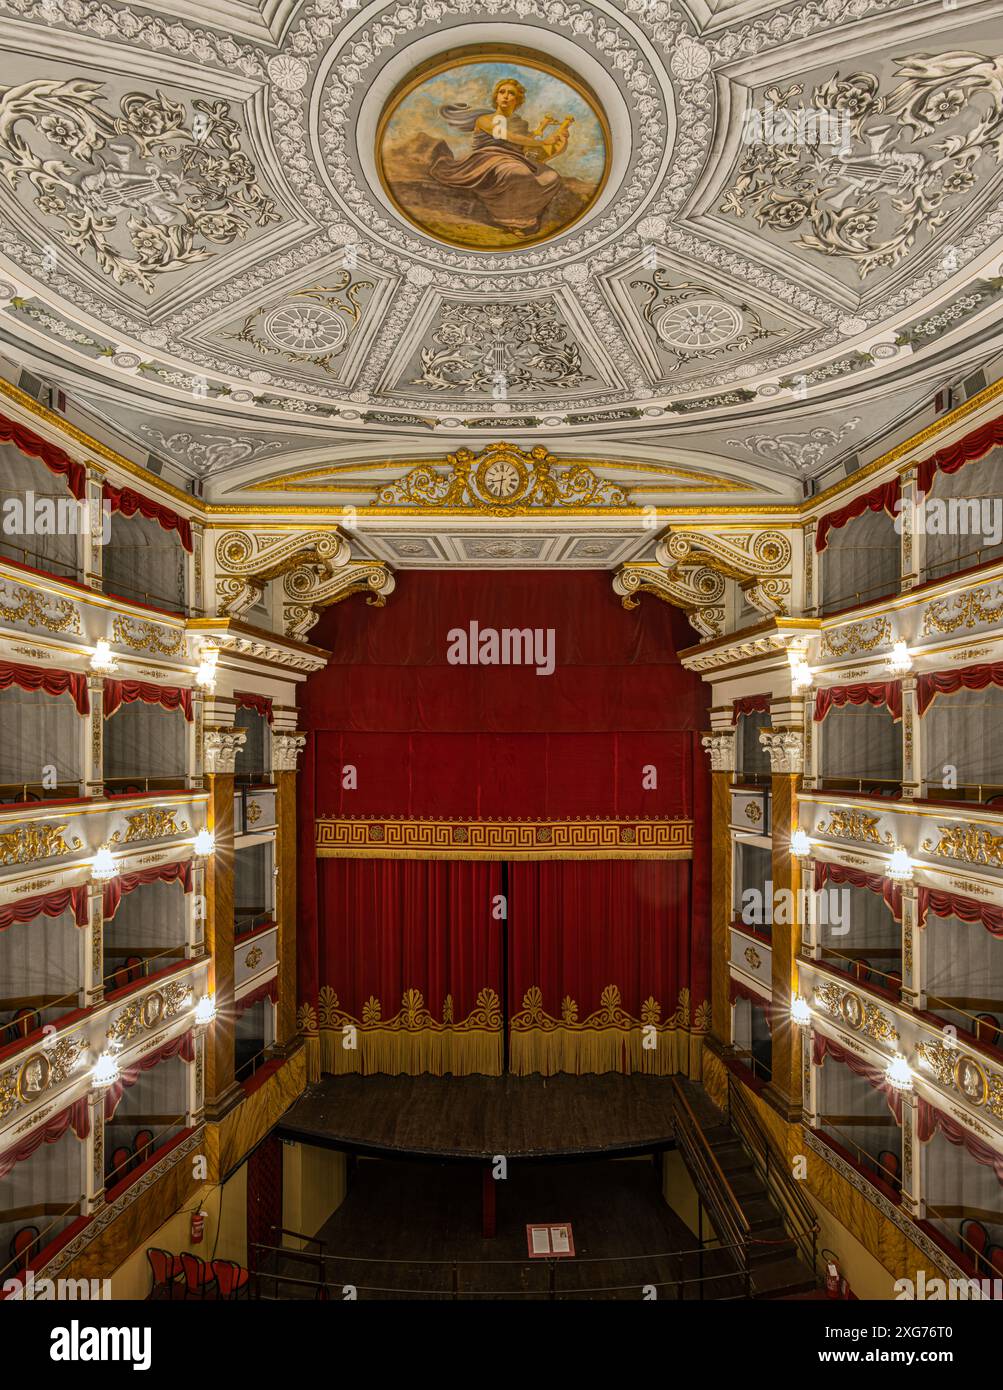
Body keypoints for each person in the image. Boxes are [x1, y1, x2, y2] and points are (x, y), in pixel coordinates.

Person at [430, 77, 570, 236]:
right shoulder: (486, 119)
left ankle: (526, 218)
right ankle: (510, 221)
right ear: (496, 97)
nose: (505, 96)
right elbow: (507, 136)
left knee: (552, 177)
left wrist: (561, 140)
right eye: (501, 92)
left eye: (511, 94)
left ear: (517, 100)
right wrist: (543, 141)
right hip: (488, 157)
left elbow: (531, 147)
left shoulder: (520, 123)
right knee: (519, 173)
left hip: (516, 158)